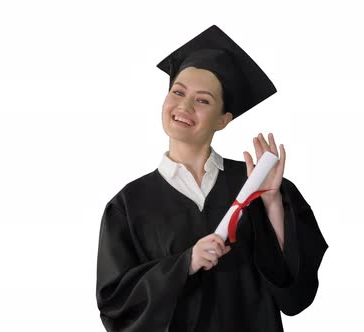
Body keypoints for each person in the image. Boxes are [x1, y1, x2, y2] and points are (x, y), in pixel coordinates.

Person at [96, 25, 328, 332]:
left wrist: (272, 206)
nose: (184, 106)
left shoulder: (257, 185)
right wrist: (185, 263)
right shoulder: (128, 204)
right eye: (178, 92)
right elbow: (116, 306)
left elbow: (294, 298)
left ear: (223, 119)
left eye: (203, 100)